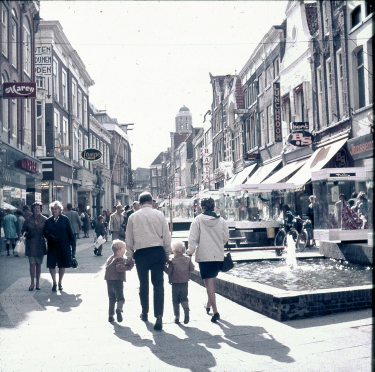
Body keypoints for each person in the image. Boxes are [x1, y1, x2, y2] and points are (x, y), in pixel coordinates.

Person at [125, 191, 172, 330]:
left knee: (143, 284)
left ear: (139, 204)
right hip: (157, 252)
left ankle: (145, 312)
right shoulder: (159, 215)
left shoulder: (133, 217)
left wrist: (129, 257)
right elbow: (166, 236)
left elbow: (129, 239)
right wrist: (167, 253)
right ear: (151, 201)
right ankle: (159, 316)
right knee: (158, 284)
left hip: (141, 254)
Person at [187, 196, 229, 323]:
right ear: (213, 206)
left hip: (205, 256)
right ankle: (208, 304)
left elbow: (193, 238)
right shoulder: (221, 220)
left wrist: (190, 252)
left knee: (208, 283)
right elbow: (225, 237)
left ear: (202, 207)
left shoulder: (198, 220)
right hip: (217, 255)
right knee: (212, 281)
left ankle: (215, 311)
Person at [43, 201, 76, 292]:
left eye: (56, 209)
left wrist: (73, 250)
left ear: (60, 209)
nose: (54, 210)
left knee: (62, 264)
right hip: (52, 246)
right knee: (51, 264)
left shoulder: (65, 219)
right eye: (52, 209)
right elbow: (45, 232)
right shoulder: (48, 220)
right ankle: (54, 282)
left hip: (63, 245)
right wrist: (49, 236)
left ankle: (60, 282)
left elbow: (70, 234)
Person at [164, 241, 195, 324]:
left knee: (175, 300)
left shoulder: (172, 261)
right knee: (184, 298)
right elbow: (192, 269)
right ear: (182, 250)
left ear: (173, 251)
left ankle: (177, 317)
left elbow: (169, 272)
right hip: (185, 283)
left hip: (175, 284)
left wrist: (164, 267)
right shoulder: (187, 259)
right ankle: (186, 311)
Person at [104, 239, 133, 323]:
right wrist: (128, 267)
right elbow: (119, 268)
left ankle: (110, 316)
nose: (125, 251)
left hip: (109, 281)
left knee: (111, 298)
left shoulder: (110, 258)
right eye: (124, 249)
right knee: (120, 298)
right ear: (120, 250)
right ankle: (119, 309)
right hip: (117, 281)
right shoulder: (120, 259)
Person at [22, 202, 47, 291]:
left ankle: (38, 283)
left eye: (38, 208)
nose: (37, 210)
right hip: (31, 243)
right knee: (32, 263)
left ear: (40, 209)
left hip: (40, 243)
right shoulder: (28, 220)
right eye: (35, 208)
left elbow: (47, 231)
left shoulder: (44, 219)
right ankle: (32, 282)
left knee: (38, 264)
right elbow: (23, 230)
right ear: (32, 209)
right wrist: (27, 234)